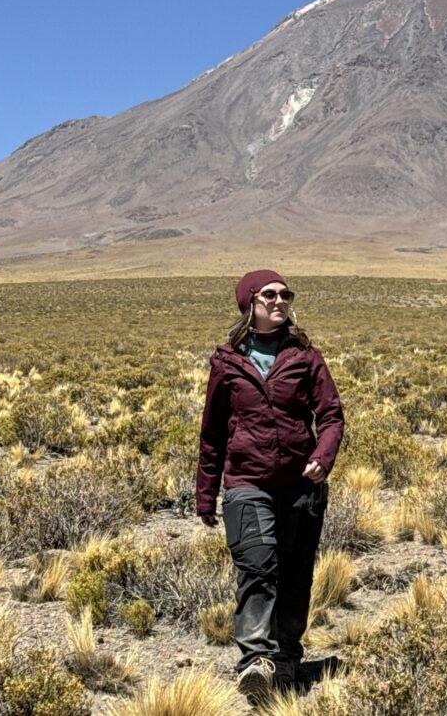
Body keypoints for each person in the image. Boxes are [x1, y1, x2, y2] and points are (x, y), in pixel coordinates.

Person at [195, 269, 345, 702]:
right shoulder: (227, 363)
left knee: (296, 577)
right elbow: (212, 434)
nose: (280, 301)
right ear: (249, 303)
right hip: (247, 483)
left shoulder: (306, 357)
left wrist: (323, 457)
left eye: (286, 294)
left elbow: (331, 416)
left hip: (300, 486)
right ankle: (254, 661)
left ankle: (285, 661)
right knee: (257, 569)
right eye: (270, 295)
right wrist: (207, 493)